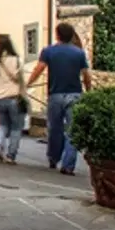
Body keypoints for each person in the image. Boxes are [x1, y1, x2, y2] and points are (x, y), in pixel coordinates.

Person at [28, 22, 92, 175]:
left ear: (57, 35)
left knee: (55, 128)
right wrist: (89, 91)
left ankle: (53, 157)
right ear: (71, 36)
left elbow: (39, 69)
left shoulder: (48, 51)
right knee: (72, 131)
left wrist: (29, 83)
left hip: (55, 94)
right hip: (75, 94)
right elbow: (86, 75)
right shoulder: (79, 53)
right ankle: (68, 165)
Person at [0, 34, 26, 164]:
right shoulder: (16, 60)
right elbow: (20, 79)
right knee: (16, 128)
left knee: (2, 125)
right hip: (13, 97)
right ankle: (11, 155)